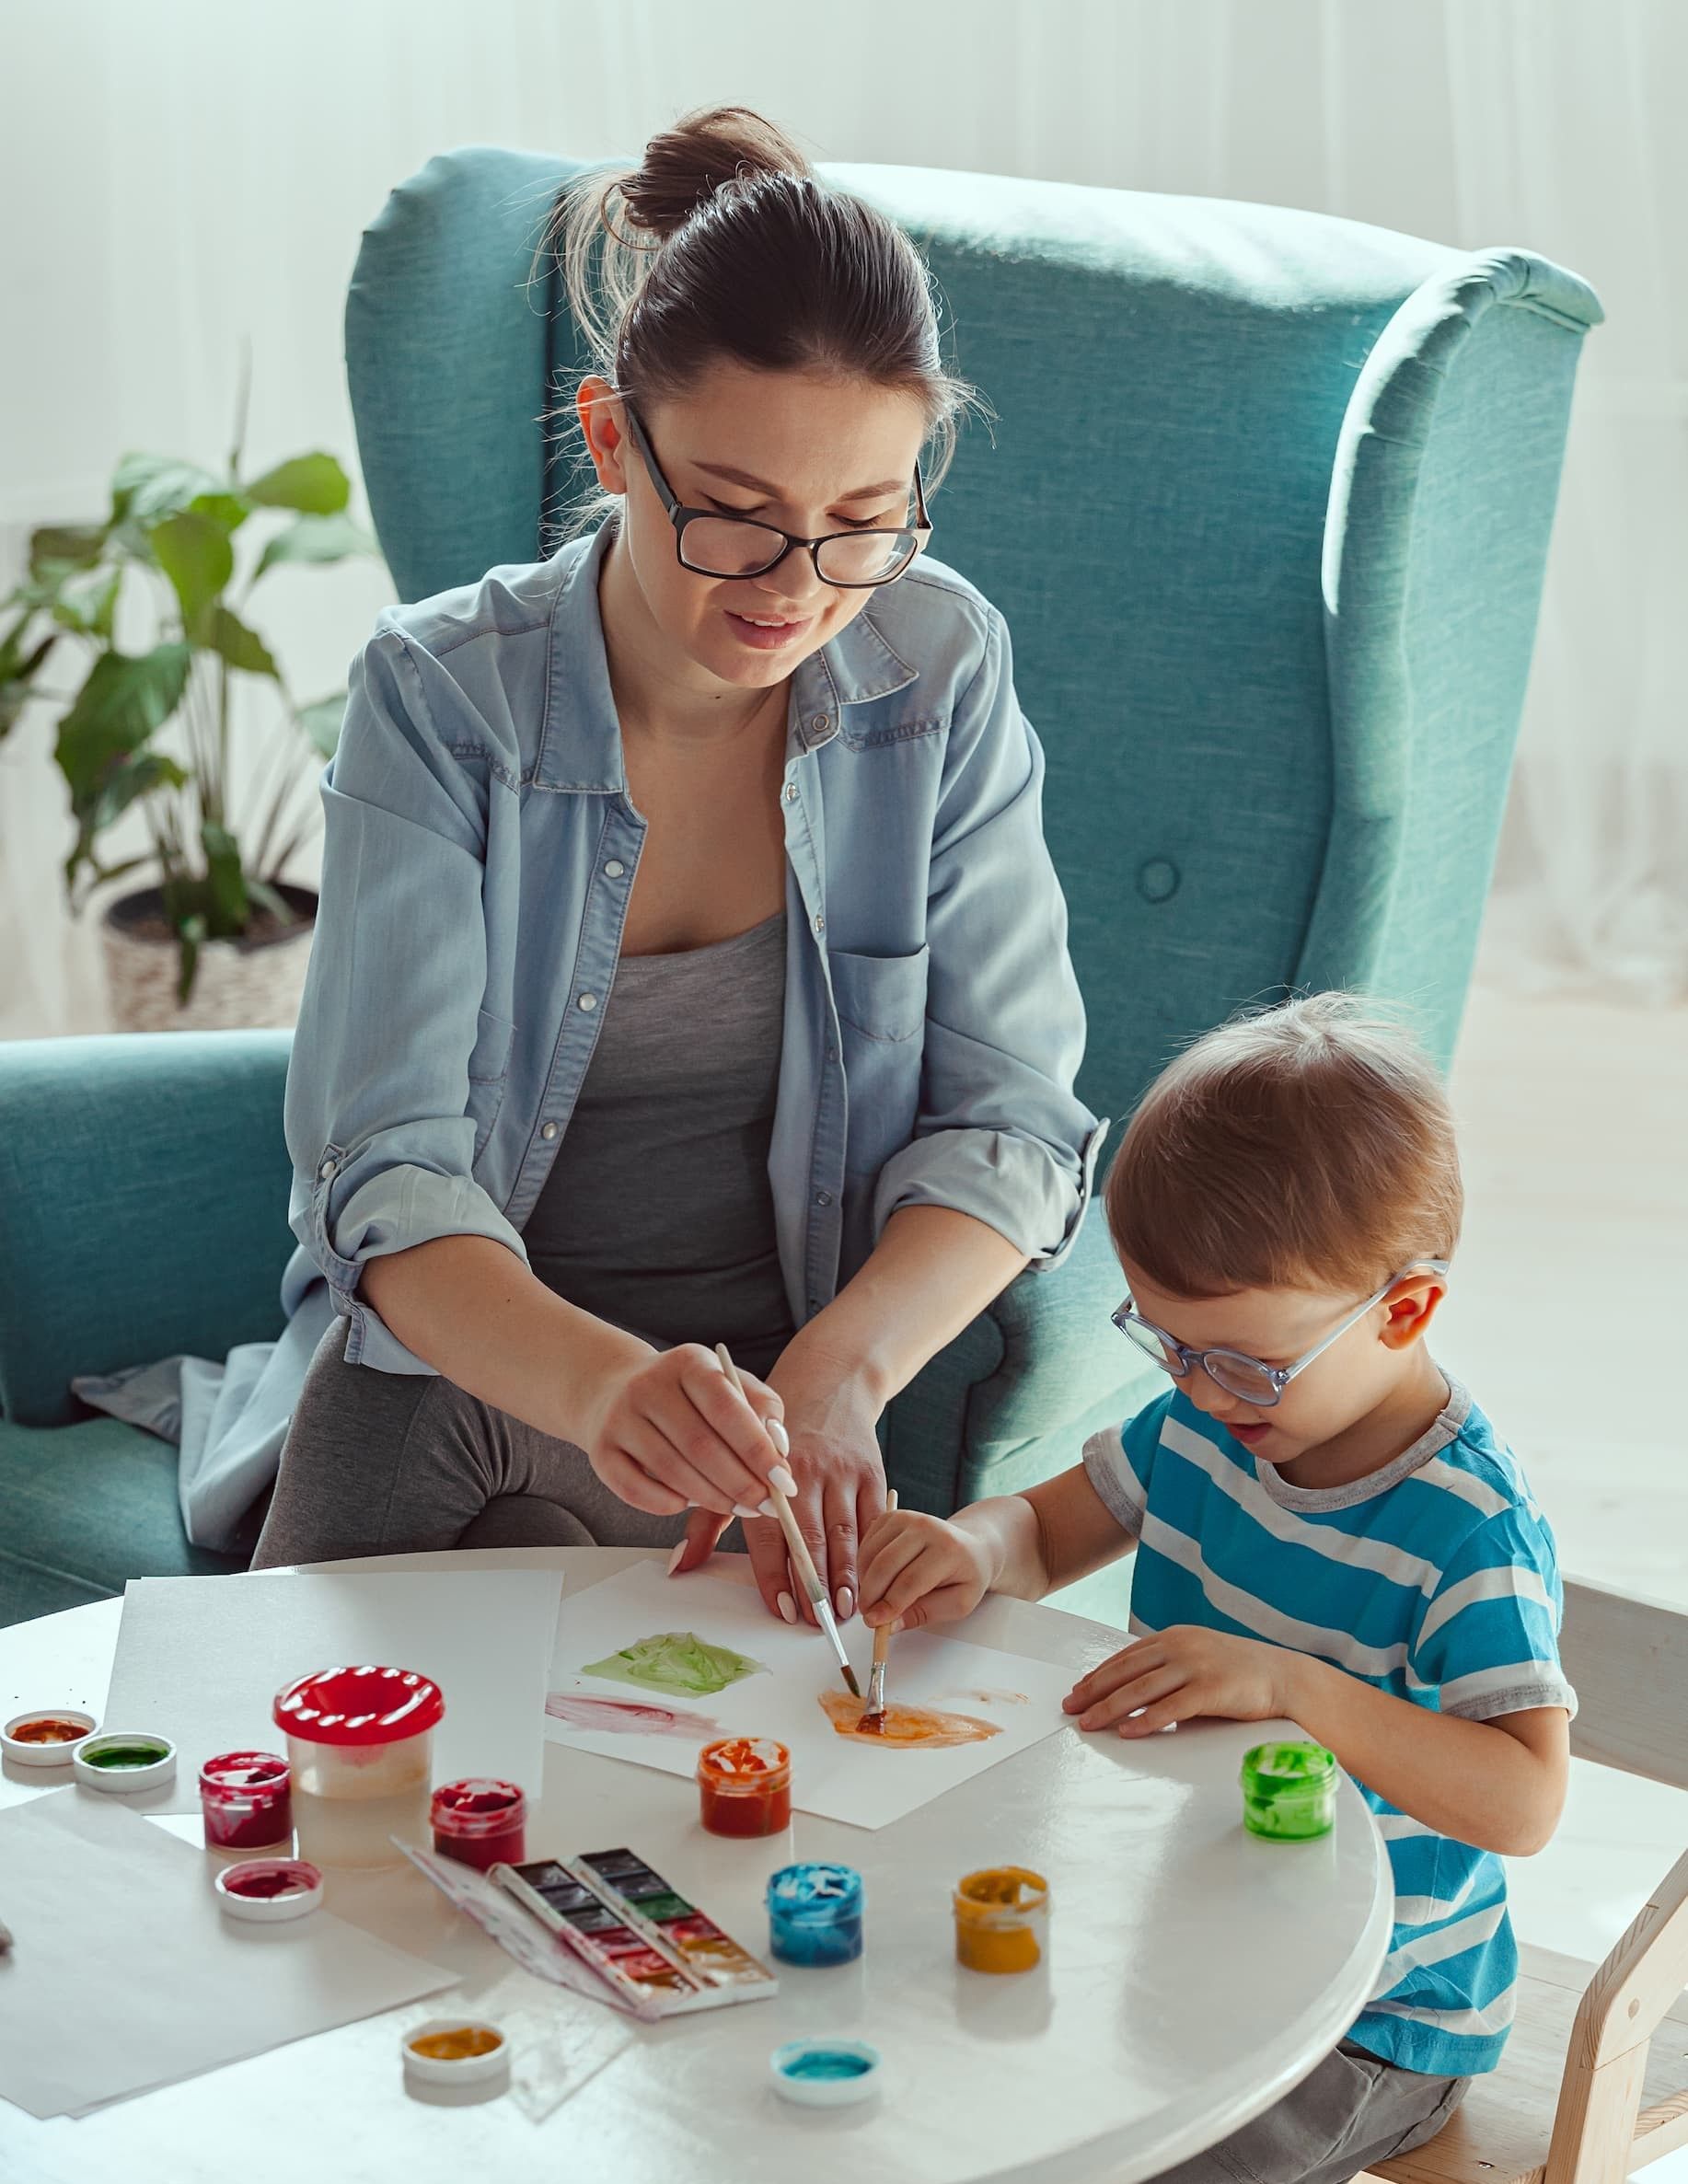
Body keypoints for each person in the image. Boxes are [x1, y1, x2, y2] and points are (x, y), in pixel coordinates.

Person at [250, 106, 1104, 1625]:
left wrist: (839, 1374)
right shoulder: (445, 697)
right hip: (496, 1366)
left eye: (863, 524)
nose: (795, 591)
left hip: (786, 1406)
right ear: (609, 440)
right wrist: (607, 1387)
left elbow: (1013, 1120)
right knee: (403, 1438)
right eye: (735, 519)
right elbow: (384, 1177)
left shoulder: (938, 669)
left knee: (599, 1689)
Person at [858, 993, 1574, 2184]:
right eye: (1167, 1343)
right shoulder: (1208, 1422)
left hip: (1374, 2012)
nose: (1195, 1389)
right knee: (935, 2080)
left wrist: (1295, 1689)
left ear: (1403, 1310)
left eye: (1243, 1360)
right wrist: (970, 1549)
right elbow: (1040, 1532)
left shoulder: (1466, 1529)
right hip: (1182, 1938)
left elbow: (1524, 1804)